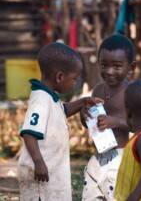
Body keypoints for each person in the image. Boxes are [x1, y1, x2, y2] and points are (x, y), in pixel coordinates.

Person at [17, 42, 102, 201]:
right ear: (60, 77)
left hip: (51, 173)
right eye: (74, 79)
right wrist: (39, 163)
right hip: (41, 175)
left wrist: (83, 102)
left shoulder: (50, 99)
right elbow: (29, 134)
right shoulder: (41, 100)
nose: (75, 83)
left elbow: (63, 111)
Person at [81, 34, 136, 200]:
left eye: (117, 66)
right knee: (91, 195)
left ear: (131, 67)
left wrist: (116, 122)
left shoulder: (132, 93)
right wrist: (85, 117)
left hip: (121, 157)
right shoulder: (98, 89)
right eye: (104, 65)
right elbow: (90, 124)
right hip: (98, 156)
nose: (109, 71)